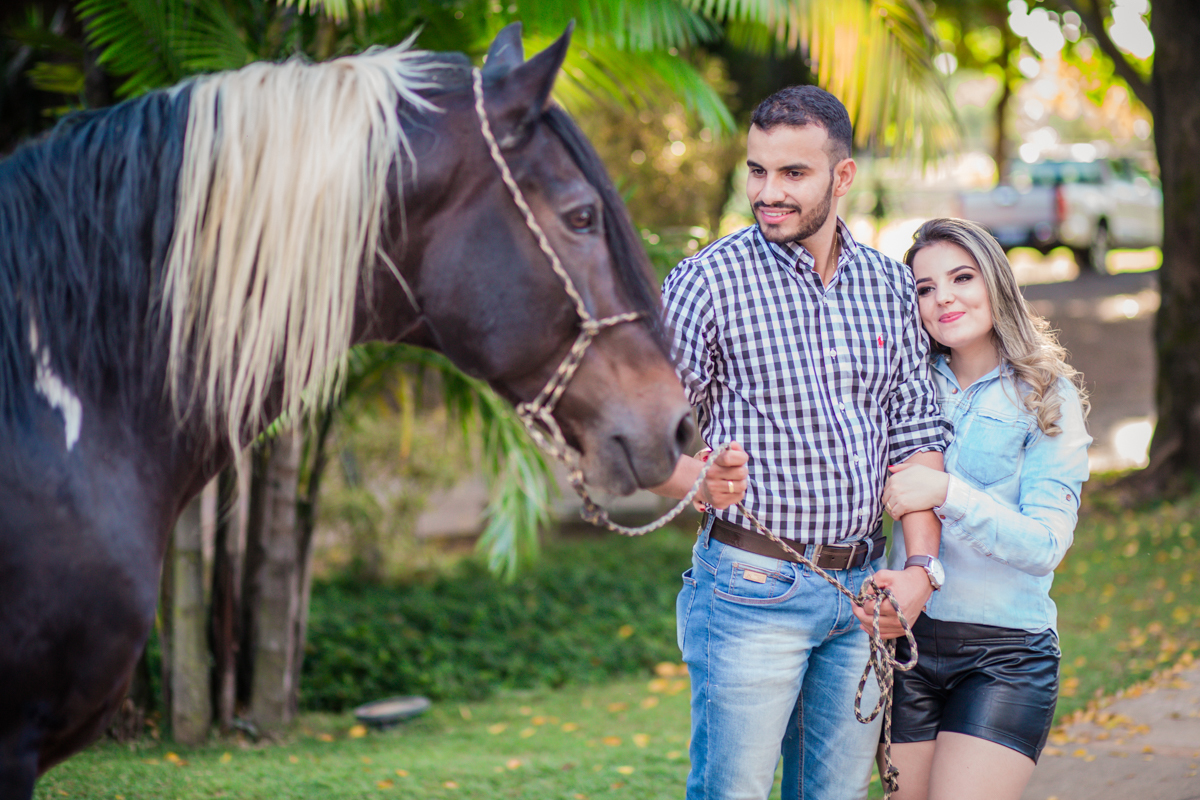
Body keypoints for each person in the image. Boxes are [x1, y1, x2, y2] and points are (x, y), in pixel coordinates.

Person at [650, 84, 949, 800]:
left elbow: (916, 441)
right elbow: (642, 440)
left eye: (792, 173)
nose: (768, 192)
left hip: (864, 591)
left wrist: (919, 570)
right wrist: (696, 480)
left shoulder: (888, 286)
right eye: (757, 171)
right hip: (751, 590)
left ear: (842, 176)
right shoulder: (706, 283)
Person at [879, 218, 1091, 800]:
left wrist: (946, 492)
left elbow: (1046, 546)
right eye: (924, 288)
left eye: (962, 277)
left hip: (1006, 655)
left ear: (995, 281)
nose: (943, 298)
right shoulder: (902, 386)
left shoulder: (1047, 395)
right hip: (907, 647)